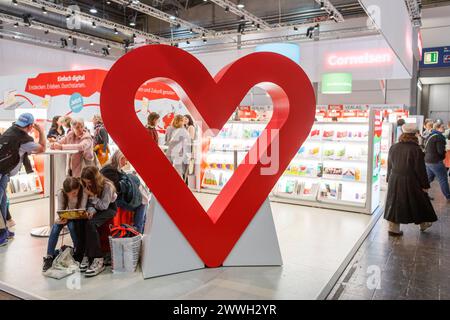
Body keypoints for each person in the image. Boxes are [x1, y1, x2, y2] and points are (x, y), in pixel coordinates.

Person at [0, 113, 46, 246]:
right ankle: (1, 235)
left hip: (3, 173)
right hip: (2, 173)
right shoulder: (24, 140)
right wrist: (41, 131)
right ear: (31, 125)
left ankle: (3, 231)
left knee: (3, 203)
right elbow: (43, 148)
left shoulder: (10, 130)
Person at [384, 124, 437, 236]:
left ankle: (393, 228)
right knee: (419, 200)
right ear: (414, 135)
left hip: (395, 179)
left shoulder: (393, 147)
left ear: (403, 134)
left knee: (394, 202)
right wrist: (425, 185)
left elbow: (389, 165)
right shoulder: (416, 149)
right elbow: (420, 170)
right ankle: (424, 223)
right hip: (410, 180)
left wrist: (389, 178)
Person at [42, 177, 88, 272]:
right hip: (66, 217)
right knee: (55, 227)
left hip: (78, 218)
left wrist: (71, 215)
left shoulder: (83, 193)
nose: (72, 196)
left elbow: (82, 210)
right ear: (65, 192)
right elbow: (60, 210)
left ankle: (77, 253)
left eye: (74, 193)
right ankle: (49, 256)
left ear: (78, 188)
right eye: (70, 194)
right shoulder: (61, 193)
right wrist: (59, 219)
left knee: (71, 226)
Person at [79, 166, 117, 277]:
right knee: (83, 222)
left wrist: (91, 196)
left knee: (91, 224)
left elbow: (104, 206)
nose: (88, 185)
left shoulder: (107, 186)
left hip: (109, 208)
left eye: (89, 182)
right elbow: (90, 204)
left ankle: (98, 259)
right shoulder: (87, 185)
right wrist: (91, 211)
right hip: (97, 207)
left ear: (95, 179)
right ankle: (87, 255)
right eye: (85, 182)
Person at [101, 150, 149, 233]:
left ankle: (139, 228)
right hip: (113, 201)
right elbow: (116, 189)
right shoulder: (110, 170)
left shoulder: (111, 168)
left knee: (143, 200)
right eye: (126, 160)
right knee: (142, 203)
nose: (126, 163)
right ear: (120, 158)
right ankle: (138, 230)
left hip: (113, 198)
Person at [424, 122, 450, 200]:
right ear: (438, 128)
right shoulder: (439, 137)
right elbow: (440, 151)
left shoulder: (430, 135)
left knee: (429, 178)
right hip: (436, 161)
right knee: (443, 178)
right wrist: (444, 153)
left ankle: (421, 194)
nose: (444, 128)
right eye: (442, 127)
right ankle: (448, 196)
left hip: (428, 161)